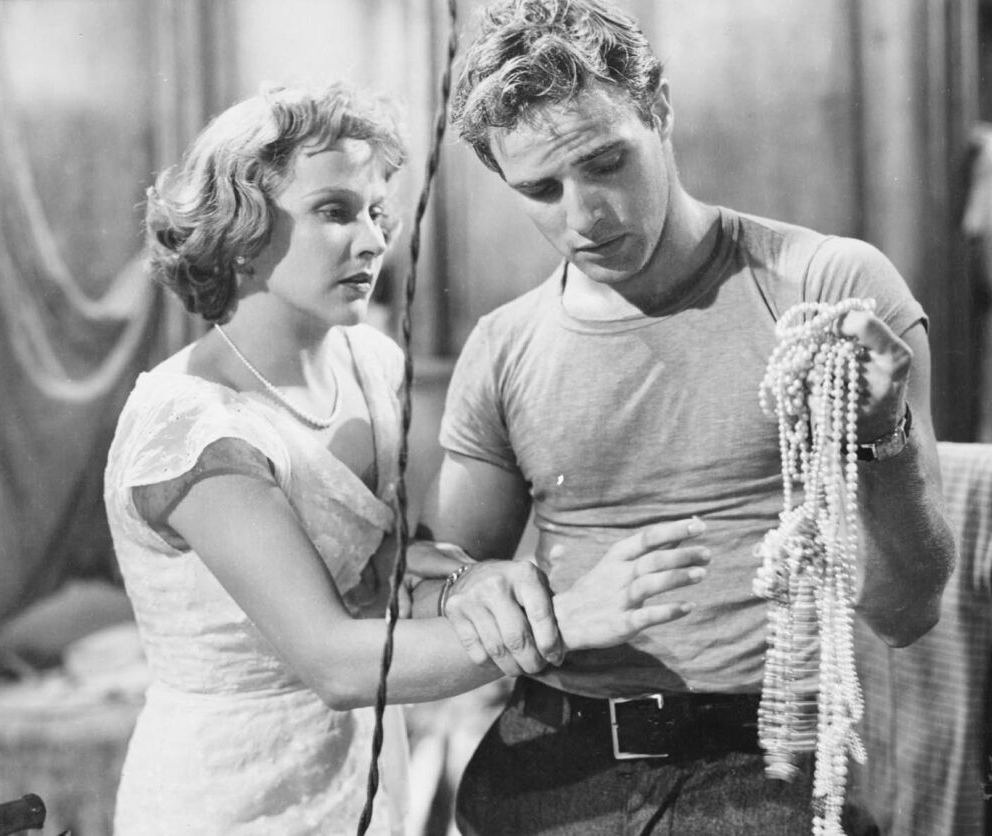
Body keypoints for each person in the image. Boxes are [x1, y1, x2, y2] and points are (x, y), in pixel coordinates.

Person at [102, 82, 714, 835]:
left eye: (375, 211)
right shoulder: (189, 427)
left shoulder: (370, 363)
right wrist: (568, 617)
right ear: (241, 227)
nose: (372, 241)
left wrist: (466, 578)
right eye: (334, 211)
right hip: (225, 793)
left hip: (361, 771)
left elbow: (379, 563)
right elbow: (334, 662)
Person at [409, 1, 960, 833]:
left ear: (659, 108)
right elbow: (430, 581)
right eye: (541, 190)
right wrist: (469, 583)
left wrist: (882, 436)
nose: (585, 218)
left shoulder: (824, 289)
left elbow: (908, 610)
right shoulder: (504, 346)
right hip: (546, 761)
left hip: (762, 766)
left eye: (605, 163)